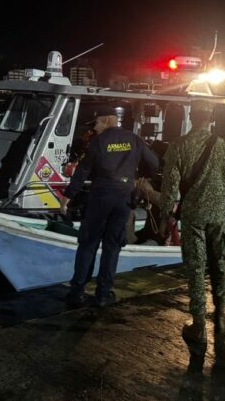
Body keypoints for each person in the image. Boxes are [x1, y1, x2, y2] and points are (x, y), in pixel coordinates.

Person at [159, 102, 225, 363]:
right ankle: (220, 315)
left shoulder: (179, 145)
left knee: (196, 268)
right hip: (219, 215)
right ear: (211, 119)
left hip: (193, 216)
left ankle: (198, 325)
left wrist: (165, 216)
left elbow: (170, 187)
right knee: (218, 264)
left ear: (192, 118)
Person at [60, 106, 159, 308]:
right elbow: (154, 163)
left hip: (100, 198)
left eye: (95, 124)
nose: (94, 129)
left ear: (105, 120)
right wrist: (139, 175)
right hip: (124, 200)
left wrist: (68, 196)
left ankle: (77, 292)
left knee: (88, 244)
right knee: (112, 247)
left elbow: (83, 171)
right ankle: (103, 294)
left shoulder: (99, 142)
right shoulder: (134, 139)